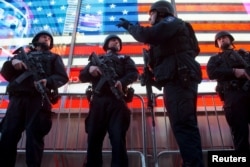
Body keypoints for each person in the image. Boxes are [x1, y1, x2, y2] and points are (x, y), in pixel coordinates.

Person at [116, 1, 204, 166]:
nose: (149, 17)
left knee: (184, 126)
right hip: (175, 81)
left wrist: (130, 26)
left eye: (151, 13)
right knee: (182, 125)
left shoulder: (171, 22)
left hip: (180, 80)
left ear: (161, 12)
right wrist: (150, 75)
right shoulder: (166, 35)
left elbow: (147, 35)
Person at [0, 30, 69, 167]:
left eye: (49, 38)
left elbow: (62, 77)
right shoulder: (21, 56)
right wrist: (13, 62)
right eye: (44, 37)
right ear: (36, 39)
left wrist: (47, 81)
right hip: (18, 99)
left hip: (39, 100)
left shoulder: (54, 57)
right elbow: (6, 73)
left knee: (34, 139)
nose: (46, 39)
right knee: (8, 137)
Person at [79, 34, 139, 167]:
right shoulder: (97, 59)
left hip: (117, 100)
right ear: (107, 43)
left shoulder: (125, 59)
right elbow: (81, 76)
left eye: (118, 41)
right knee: (94, 138)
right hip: (98, 101)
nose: (116, 42)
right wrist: (90, 69)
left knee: (118, 139)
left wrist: (121, 82)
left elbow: (134, 74)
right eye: (113, 40)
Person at [207, 31, 250, 152]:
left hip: (248, 92)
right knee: (240, 136)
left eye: (224, 37)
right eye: (219, 39)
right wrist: (233, 71)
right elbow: (212, 73)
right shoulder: (215, 59)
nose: (221, 40)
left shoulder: (245, 55)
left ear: (231, 39)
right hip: (233, 97)